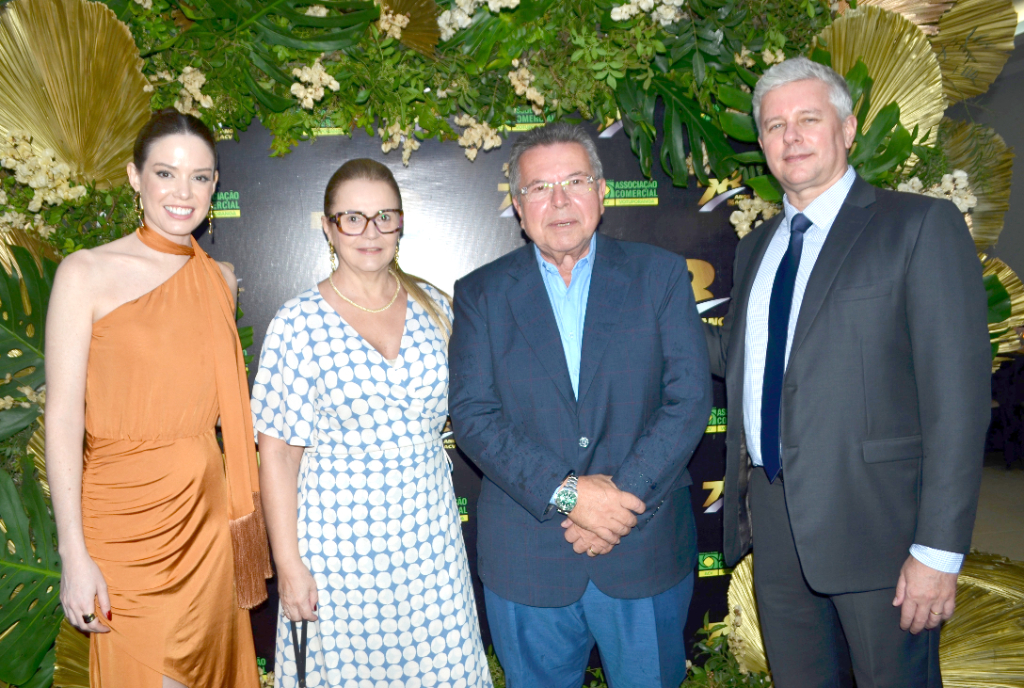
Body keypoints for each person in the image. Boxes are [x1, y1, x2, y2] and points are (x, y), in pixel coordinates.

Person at [705, 57, 990, 687]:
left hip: (881, 532)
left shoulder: (917, 226)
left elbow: (958, 402)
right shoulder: (757, 247)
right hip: (775, 524)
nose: (792, 136)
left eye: (809, 118)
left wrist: (938, 551)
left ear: (848, 128)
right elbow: (744, 361)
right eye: (775, 125)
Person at [449, 123, 712, 688]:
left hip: (642, 546)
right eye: (539, 188)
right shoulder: (480, 294)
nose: (560, 201)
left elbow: (688, 398)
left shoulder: (660, 275)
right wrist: (570, 495)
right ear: (518, 207)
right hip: (528, 562)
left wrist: (618, 500)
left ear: (602, 191)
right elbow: (473, 417)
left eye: (574, 181)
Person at [45, 109, 270, 688]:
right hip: (120, 521)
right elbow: (65, 417)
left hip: (205, 522)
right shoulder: (85, 273)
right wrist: (75, 553)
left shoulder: (219, 278)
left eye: (200, 177)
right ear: (133, 177)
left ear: (215, 186)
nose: (183, 192)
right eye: (166, 173)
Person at [252, 158, 492, 688]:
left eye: (384, 216)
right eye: (352, 218)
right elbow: (278, 455)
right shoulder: (297, 324)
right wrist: (288, 567)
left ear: (401, 223)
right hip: (338, 553)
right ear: (328, 226)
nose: (370, 231)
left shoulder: (438, 309)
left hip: (430, 545)